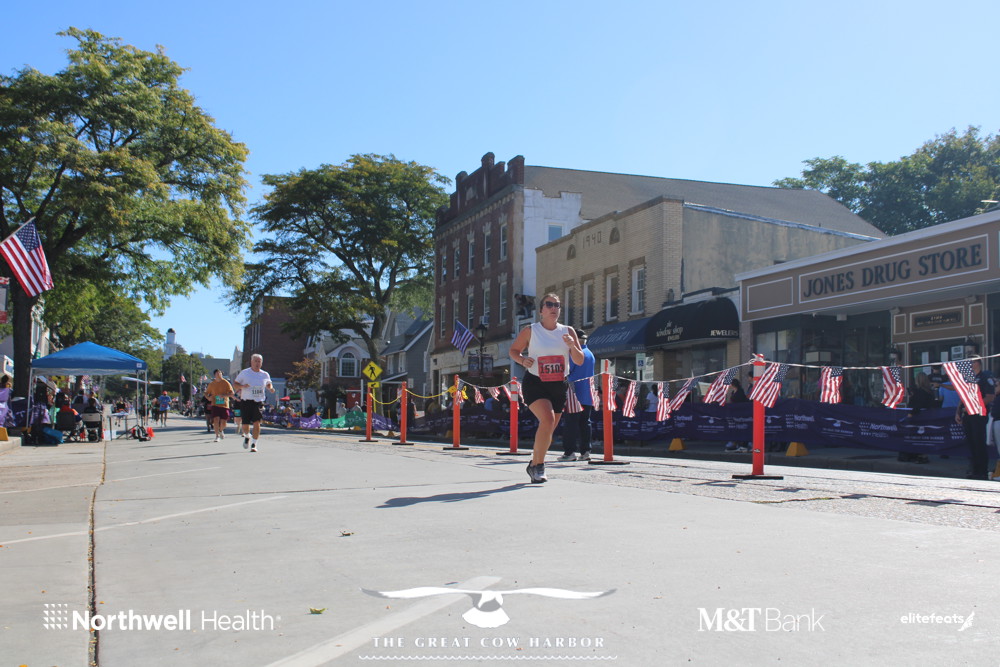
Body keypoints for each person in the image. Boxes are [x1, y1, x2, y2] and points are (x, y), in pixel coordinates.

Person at [509, 293, 585, 483]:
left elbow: (579, 360)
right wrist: (522, 360)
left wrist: (572, 346)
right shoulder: (531, 330)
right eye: (549, 305)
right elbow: (514, 351)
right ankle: (540, 466)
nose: (553, 308)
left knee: (549, 427)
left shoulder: (567, 331)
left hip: (559, 384)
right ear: (541, 310)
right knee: (548, 419)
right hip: (536, 383)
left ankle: (534, 464)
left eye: (557, 305)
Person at [559, 329, 595, 462]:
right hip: (588, 394)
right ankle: (586, 451)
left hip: (574, 393)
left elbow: (567, 371)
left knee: (571, 423)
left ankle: (570, 452)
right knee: (585, 423)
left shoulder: (575, 354)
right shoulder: (590, 354)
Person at [954, 358, 994, 480]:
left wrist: (974, 406)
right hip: (967, 414)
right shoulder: (968, 378)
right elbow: (963, 397)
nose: (970, 364)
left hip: (979, 414)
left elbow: (990, 397)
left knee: (978, 442)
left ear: (978, 363)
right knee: (971, 442)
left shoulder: (985, 377)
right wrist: (958, 411)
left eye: (972, 362)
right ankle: (974, 469)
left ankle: (982, 471)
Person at [232, 354, 275, 453]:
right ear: (251, 362)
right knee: (245, 425)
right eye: (255, 361)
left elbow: (268, 383)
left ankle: (254, 444)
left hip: (258, 402)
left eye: (259, 361)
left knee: (257, 422)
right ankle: (247, 436)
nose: (257, 363)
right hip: (246, 401)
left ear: (261, 363)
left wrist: (271, 388)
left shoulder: (265, 374)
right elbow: (235, 384)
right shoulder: (245, 373)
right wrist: (242, 386)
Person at [900, 372, 935, 463]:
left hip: (918, 416)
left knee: (918, 437)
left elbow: (919, 404)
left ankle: (921, 455)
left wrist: (911, 413)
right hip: (927, 416)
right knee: (924, 437)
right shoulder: (929, 392)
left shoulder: (921, 392)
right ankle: (922, 455)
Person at [205, 369, 235, 443]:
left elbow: (232, 393)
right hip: (215, 404)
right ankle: (217, 436)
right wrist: (208, 398)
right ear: (215, 375)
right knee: (216, 420)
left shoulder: (226, 383)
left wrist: (224, 395)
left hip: (224, 405)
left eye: (220, 373)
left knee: (223, 422)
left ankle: (221, 430)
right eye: (217, 373)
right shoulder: (212, 384)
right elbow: (206, 393)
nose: (219, 375)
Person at [724, 378, 750, 452]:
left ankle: (742, 444)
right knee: (735, 429)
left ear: (733, 384)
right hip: (734, 413)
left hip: (741, 413)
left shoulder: (740, 392)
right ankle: (736, 443)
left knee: (741, 428)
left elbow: (740, 401)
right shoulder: (733, 392)